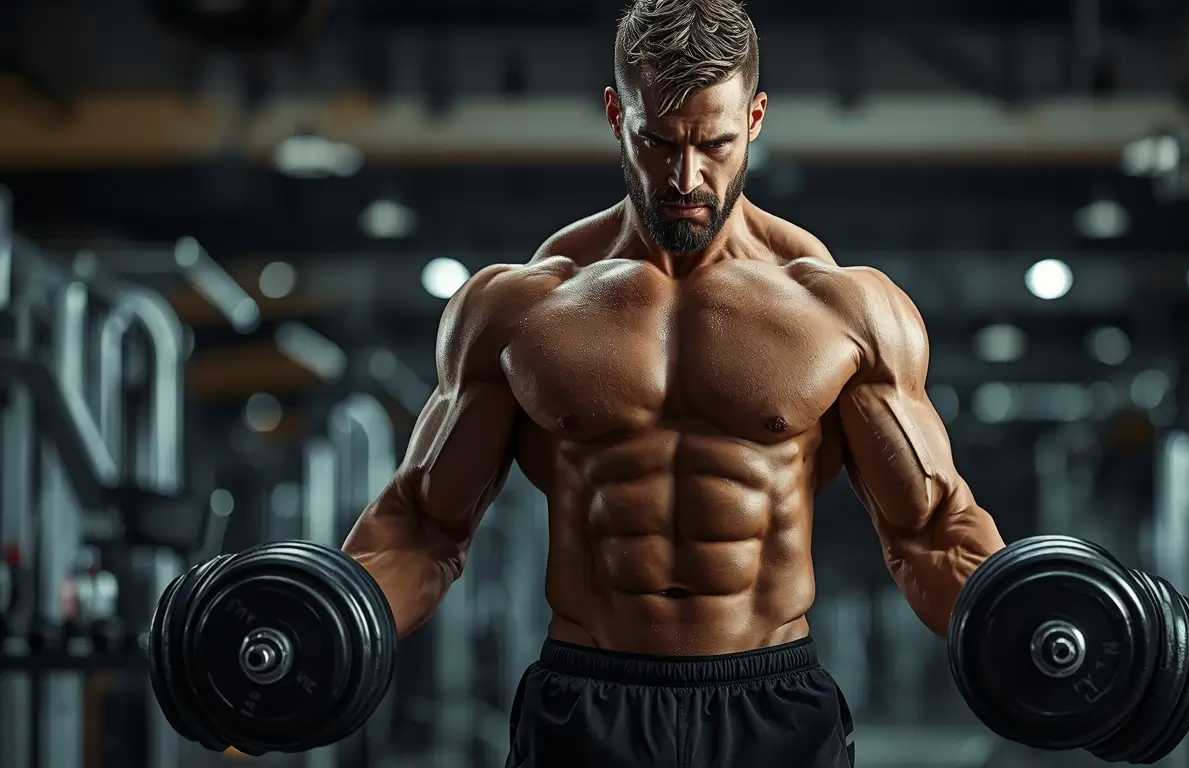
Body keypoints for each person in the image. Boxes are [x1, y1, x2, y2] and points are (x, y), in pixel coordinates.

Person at [341, 1, 1005, 765]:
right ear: (615, 113)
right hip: (587, 703)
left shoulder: (843, 311)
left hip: (772, 705)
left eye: (714, 143)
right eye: (657, 141)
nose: (685, 176)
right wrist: (321, 630)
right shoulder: (519, 308)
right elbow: (423, 529)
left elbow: (927, 534)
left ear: (755, 118)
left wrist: (1032, 634)